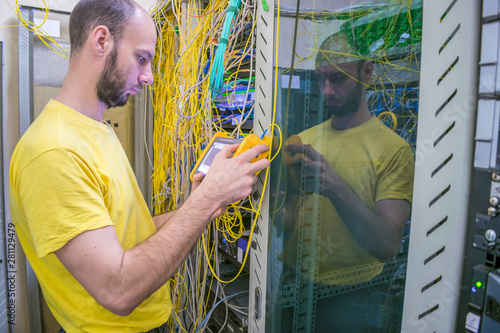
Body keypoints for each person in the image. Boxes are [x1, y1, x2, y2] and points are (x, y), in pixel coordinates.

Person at [8, 0, 269, 332]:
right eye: (142, 59)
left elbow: (125, 237)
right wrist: (207, 201)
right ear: (101, 41)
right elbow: (118, 289)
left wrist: (203, 202)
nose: (149, 77)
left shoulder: (96, 130)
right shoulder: (54, 151)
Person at [279, 30, 415, 332]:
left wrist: (335, 187)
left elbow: (388, 244)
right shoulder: (302, 140)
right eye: (320, 79)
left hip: (351, 294)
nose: (326, 91)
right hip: (291, 282)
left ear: (366, 72)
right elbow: (287, 221)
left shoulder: (394, 150)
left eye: (337, 79)